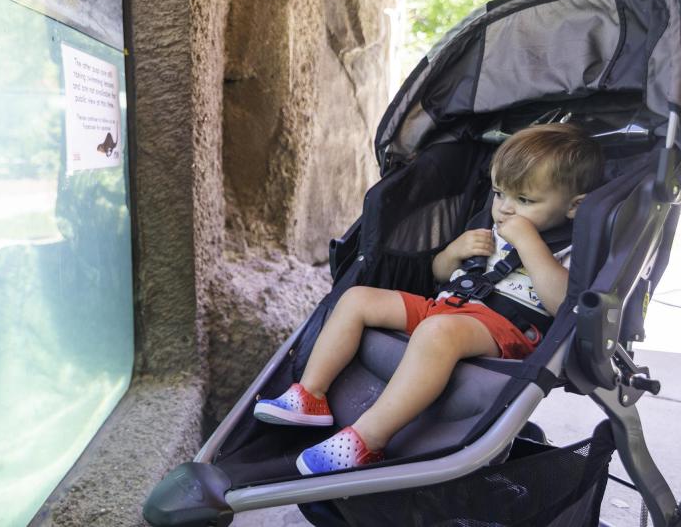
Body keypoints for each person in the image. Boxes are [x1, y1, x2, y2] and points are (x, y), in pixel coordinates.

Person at [253, 123, 604, 475]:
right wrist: (454, 251)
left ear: (574, 207)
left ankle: (367, 440)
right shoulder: (490, 229)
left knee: (438, 332)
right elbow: (439, 273)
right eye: (499, 194)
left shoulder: (571, 247)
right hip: (446, 306)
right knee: (358, 298)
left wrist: (529, 245)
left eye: (524, 200)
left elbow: (564, 304)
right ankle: (311, 394)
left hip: (505, 329)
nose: (505, 210)